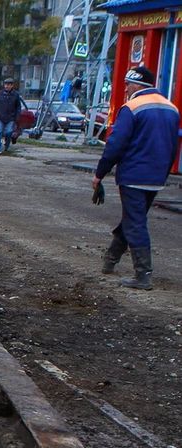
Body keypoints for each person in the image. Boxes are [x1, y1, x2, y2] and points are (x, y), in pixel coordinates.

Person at [93, 65, 180, 290]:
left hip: (133, 174)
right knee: (134, 218)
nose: (126, 88)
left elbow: (115, 144)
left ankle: (143, 275)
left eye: (128, 84)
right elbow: (173, 146)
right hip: (156, 177)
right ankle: (110, 260)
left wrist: (100, 173)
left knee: (135, 223)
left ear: (136, 85)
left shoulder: (132, 107)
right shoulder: (172, 109)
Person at [0, 78, 23, 154]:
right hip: (0, 117)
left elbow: (18, 107)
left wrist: (17, 117)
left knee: (9, 132)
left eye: (9, 85)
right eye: (5, 84)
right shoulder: (0, 93)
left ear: (12, 85)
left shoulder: (16, 95)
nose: (6, 86)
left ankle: (7, 144)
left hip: (11, 118)